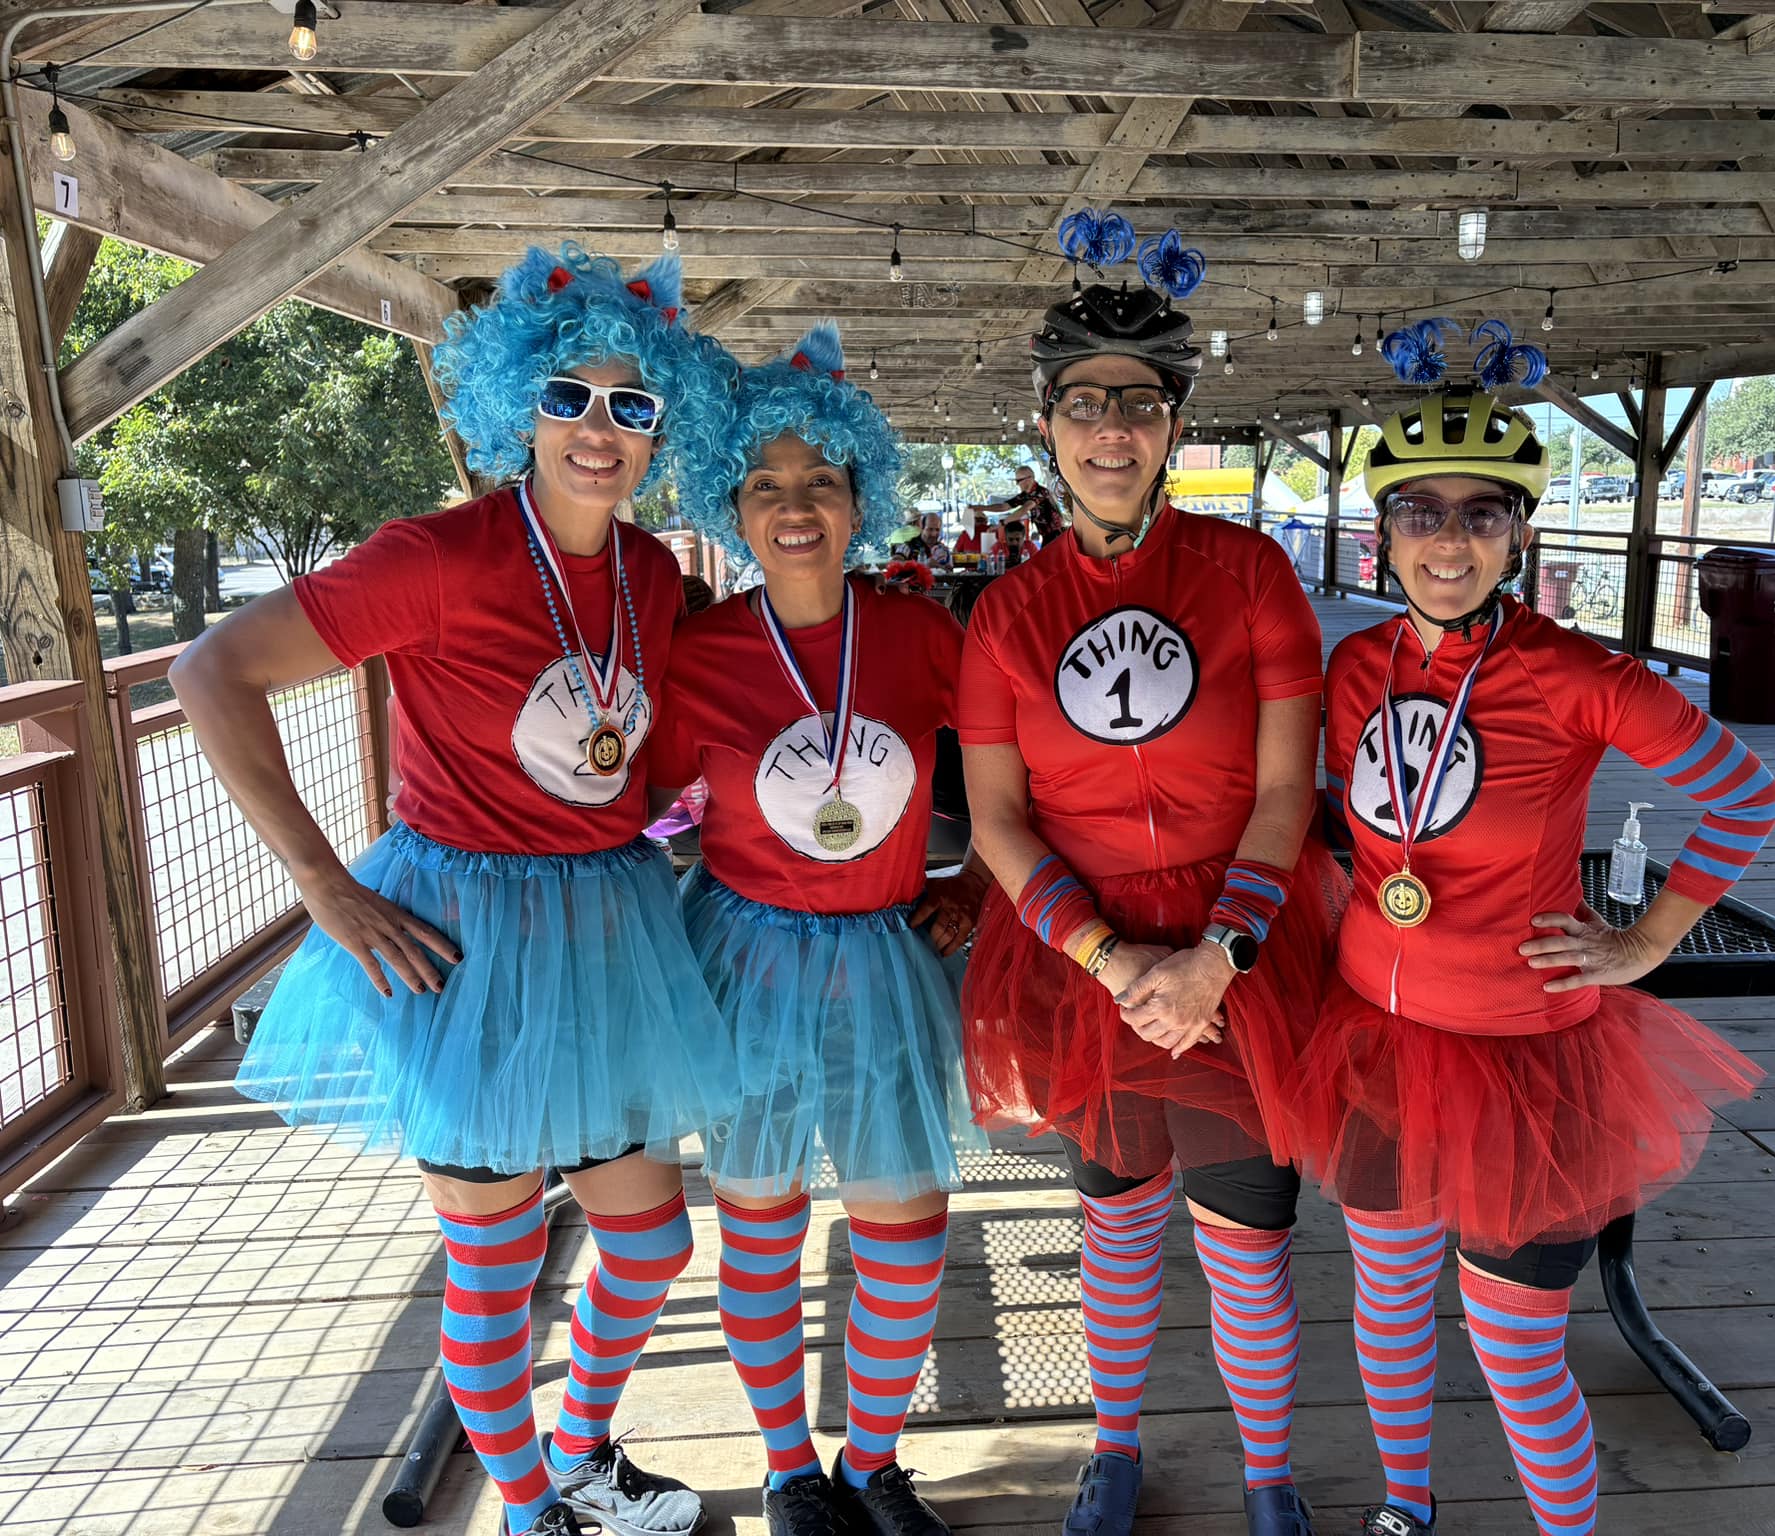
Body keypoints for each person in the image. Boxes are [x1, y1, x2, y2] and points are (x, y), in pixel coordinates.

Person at [172, 243, 743, 1536]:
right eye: (568, 396)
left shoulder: (656, 575)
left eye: (632, 404)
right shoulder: (434, 558)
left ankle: (577, 1454)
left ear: (662, 427)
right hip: (463, 946)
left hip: (606, 929)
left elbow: (634, 752)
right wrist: (322, 885)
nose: (598, 428)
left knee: (648, 1242)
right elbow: (211, 670)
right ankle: (532, 1512)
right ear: (516, 404)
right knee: (493, 1264)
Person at [1297, 323, 1775, 1536]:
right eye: (1419, 512)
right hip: (1375, 1041)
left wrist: (1645, 943)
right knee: (1387, 1310)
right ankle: (1404, 1510)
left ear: (1518, 534)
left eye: (1480, 514)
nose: (1446, 539)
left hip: (1525, 1055)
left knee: (1514, 1349)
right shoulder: (1352, 668)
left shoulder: (1575, 675)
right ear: (1382, 531)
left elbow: (1743, 795)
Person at [956, 213, 1340, 1536]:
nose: (1110, 430)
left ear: (1174, 424)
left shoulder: (1251, 575)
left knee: (1246, 1243)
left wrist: (1215, 958)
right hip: (1086, 963)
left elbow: (1287, 791)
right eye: (1084, 403)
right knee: (1114, 1231)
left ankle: (1269, 1477)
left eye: (1138, 403)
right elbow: (996, 821)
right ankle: (1111, 1451)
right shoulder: (1004, 613)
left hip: (1244, 954)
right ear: (1046, 425)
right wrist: (1118, 962)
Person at [662, 320, 992, 1536]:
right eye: (763, 485)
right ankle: (787, 1468)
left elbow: (1022, 777)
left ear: (861, 500)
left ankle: (872, 1463)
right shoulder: (697, 652)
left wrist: (980, 885)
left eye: (819, 482)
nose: (793, 506)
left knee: (906, 1227)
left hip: (886, 961)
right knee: (759, 1228)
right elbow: (632, 803)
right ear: (731, 508)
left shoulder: (920, 634)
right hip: (745, 960)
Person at [970, 462, 1064, 546]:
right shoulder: (1025, 495)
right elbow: (1003, 507)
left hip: (1057, 535)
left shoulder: (1041, 492)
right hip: (1047, 536)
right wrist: (979, 508)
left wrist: (1002, 523)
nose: (1017, 484)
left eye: (1019, 481)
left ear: (1030, 479)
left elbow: (1024, 509)